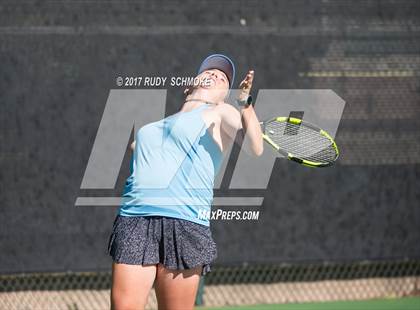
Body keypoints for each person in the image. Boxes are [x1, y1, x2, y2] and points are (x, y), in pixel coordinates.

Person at [107, 54, 263, 310]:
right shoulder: (154, 126)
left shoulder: (221, 112)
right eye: (209, 71)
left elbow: (255, 147)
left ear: (225, 94)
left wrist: (245, 103)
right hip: (134, 220)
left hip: (184, 223)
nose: (214, 74)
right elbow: (138, 149)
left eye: (223, 77)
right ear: (189, 85)